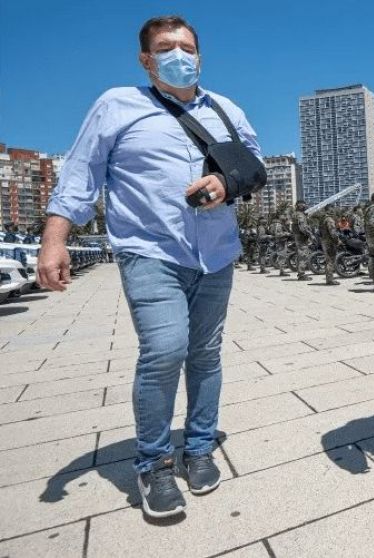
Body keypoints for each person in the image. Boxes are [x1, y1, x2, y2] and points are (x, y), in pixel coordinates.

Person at [37, 16, 264, 518]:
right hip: (150, 251)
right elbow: (80, 174)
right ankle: (154, 463)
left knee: (205, 354)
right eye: (166, 47)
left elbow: (253, 164)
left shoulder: (226, 109)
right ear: (146, 59)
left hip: (217, 252)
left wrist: (225, 184)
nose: (178, 54)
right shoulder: (118, 105)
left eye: (187, 46)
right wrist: (55, 239)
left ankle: (200, 446)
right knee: (165, 349)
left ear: (200, 56)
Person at [317, 208, 341, 285]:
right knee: (330, 261)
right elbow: (333, 232)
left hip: (324, 241)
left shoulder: (322, 219)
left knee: (328, 261)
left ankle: (328, 279)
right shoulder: (329, 220)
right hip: (330, 242)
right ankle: (330, 280)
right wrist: (338, 241)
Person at [290, 200, 311, 280]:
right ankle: (301, 274)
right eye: (304, 204)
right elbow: (303, 227)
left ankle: (300, 273)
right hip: (302, 237)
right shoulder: (300, 215)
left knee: (300, 255)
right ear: (300, 205)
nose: (305, 206)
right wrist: (310, 234)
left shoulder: (296, 214)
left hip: (298, 236)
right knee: (303, 255)